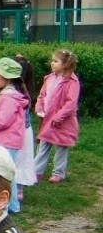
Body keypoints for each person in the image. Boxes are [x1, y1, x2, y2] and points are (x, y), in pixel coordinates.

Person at [0, 58, 30, 214]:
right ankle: (13, 206)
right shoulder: (10, 94)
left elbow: (2, 121)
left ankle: (7, 207)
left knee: (4, 175)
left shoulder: (8, 97)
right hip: (9, 140)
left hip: (6, 141)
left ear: (6, 77)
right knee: (9, 174)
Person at [34, 49, 80, 183]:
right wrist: (39, 106)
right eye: (52, 61)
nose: (52, 63)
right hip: (47, 119)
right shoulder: (49, 78)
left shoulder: (72, 81)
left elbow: (71, 103)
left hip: (63, 121)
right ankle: (36, 171)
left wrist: (58, 117)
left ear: (65, 64)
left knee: (61, 146)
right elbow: (42, 95)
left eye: (55, 61)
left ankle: (58, 173)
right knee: (43, 145)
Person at [12, 54, 37, 201]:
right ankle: (17, 189)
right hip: (23, 131)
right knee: (20, 160)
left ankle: (17, 189)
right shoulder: (25, 90)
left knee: (18, 160)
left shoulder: (18, 94)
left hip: (18, 132)